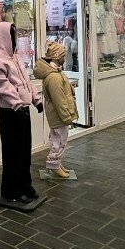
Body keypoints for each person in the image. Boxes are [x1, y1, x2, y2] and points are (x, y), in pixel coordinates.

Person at [0, 22, 42, 203]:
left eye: (14, 35)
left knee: (25, 149)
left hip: (22, 110)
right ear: (2, 37)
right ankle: (12, 189)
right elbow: (2, 86)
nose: (14, 39)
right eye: (10, 35)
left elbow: (26, 81)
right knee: (12, 151)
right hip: (9, 112)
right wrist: (17, 104)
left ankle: (25, 184)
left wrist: (36, 100)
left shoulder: (17, 58)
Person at [33, 41, 77, 179]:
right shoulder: (54, 77)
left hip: (58, 114)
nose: (64, 57)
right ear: (57, 56)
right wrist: (67, 117)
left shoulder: (56, 72)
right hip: (58, 115)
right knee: (58, 141)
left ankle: (56, 163)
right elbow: (59, 100)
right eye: (63, 55)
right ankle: (54, 164)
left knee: (59, 139)